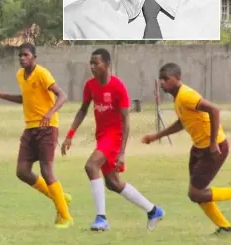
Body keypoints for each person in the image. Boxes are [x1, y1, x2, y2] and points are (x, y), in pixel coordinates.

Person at [61, 48, 164, 231]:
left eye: (96, 63)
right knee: (113, 183)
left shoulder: (118, 87)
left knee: (91, 166)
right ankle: (153, 210)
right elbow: (83, 109)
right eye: (91, 63)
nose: (92, 67)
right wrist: (70, 135)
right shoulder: (90, 86)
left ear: (108, 65)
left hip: (114, 137)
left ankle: (101, 218)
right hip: (101, 136)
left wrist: (122, 152)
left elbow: (126, 120)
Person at [0, 42, 73, 229]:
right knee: (22, 172)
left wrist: (49, 114)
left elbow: (63, 96)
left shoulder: (42, 73)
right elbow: (24, 99)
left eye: (26, 55)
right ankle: (59, 197)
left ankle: (66, 217)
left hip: (47, 127)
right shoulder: (20, 75)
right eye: (20, 55)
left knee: (47, 171)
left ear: (34, 57)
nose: (22, 58)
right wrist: (0, 95)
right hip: (30, 128)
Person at [142, 62, 231, 235]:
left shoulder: (186, 95)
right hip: (199, 148)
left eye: (165, 79)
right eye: (160, 79)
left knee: (196, 193)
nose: (161, 83)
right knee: (197, 192)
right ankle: (225, 227)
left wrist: (213, 143)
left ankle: (225, 226)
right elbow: (183, 122)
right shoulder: (178, 98)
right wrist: (156, 136)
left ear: (176, 78)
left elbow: (214, 110)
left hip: (214, 147)